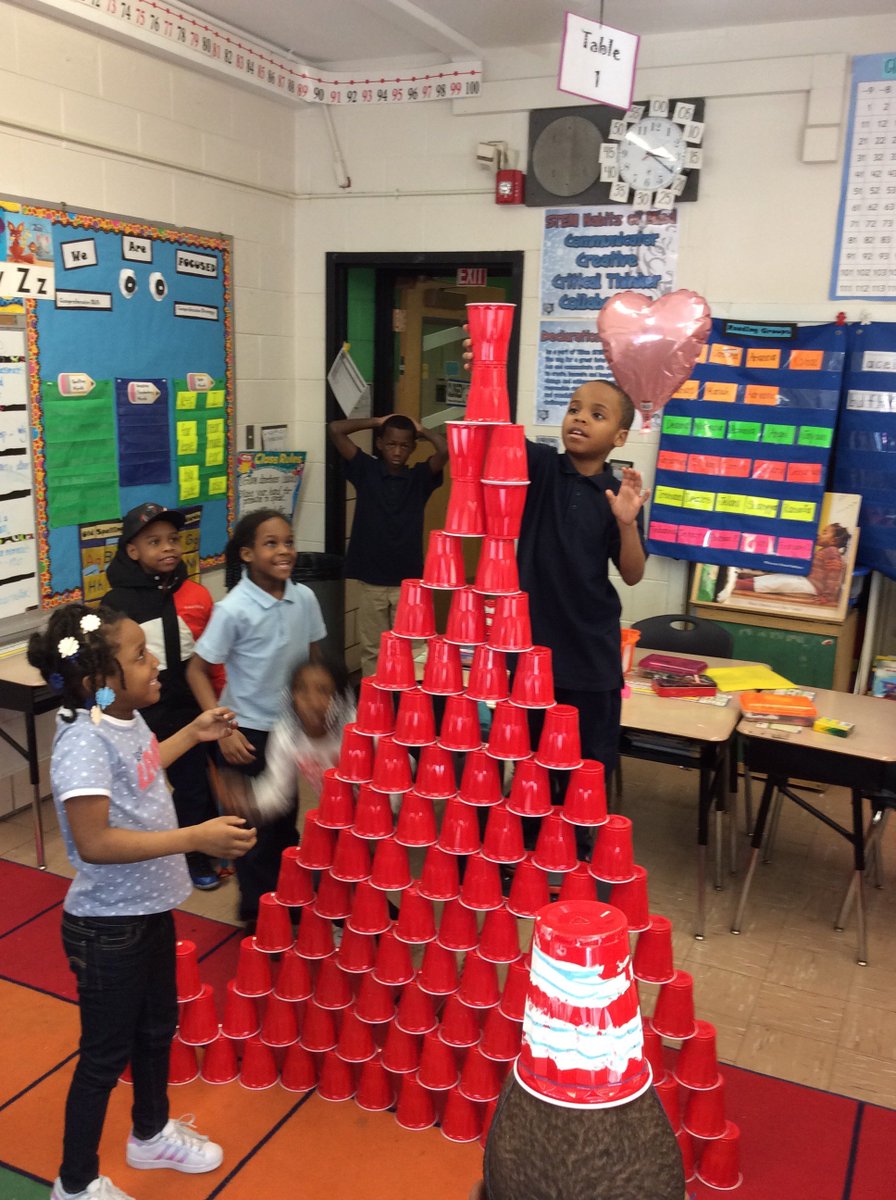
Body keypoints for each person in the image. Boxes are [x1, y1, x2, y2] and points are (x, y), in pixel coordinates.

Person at [26, 602, 256, 1200]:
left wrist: (192, 733)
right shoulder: (82, 741)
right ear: (99, 682)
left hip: (147, 914)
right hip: (107, 931)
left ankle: (150, 1135)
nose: (157, 663)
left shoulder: (119, 722)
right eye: (140, 656)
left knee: (157, 1030)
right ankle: (74, 1185)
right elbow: (95, 842)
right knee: (104, 1058)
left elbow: (143, 766)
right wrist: (195, 838)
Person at [186, 509, 327, 929]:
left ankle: (290, 900)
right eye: (271, 543)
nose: (284, 550)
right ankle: (258, 916)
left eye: (288, 541)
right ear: (247, 553)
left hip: (290, 731)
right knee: (252, 832)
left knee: (284, 823)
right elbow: (197, 669)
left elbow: (314, 660)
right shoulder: (233, 609)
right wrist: (223, 728)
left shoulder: (305, 597)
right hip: (245, 734)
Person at [518, 380, 649, 806]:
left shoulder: (617, 494)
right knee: (531, 763)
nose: (579, 418)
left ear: (620, 437)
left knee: (587, 765)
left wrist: (626, 522)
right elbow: (493, 432)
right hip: (532, 651)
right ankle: (527, 846)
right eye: (574, 409)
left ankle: (579, 849)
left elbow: (632, 574)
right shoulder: (539, 466)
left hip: (591, 655)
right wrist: (485, 363)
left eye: (597, 414)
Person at [102, 501, 224, 892]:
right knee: (142, 787)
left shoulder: (196, 595)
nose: (168, 548)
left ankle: (197, 851)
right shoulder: (116, 605)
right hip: (143, 716)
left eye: (173, 539)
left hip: (188, 710)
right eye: (154, 542)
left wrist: (218, 702)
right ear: (132, 551)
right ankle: (145, 850)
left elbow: (210, 656)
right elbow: (112, 669)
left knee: (194, 787)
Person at [328, 412, 448, 678]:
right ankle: (375, 707)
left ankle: (409, 704)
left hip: (408, 583)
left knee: (414, 646)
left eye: (404, 445)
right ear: (380, 443)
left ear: (413, 448)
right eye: (391, 443)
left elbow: (446, 449)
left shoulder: (419, 478)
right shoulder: (366, 470)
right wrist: (377, 421)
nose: (397, 451)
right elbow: (336, 429)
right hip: (372, 580)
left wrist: (422, 428)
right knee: (373, 649)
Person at [215, 655, 356, 820]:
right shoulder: (288, 735)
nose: (312, 701)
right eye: (302, 689)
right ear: (291, 696)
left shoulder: (358, 729)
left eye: (324, 691)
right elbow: (278, 793)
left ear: (341, 697)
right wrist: (247, 799)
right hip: (339, 820)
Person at [715, 522, 850, 608]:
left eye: (825, 533)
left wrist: (827, 596)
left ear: (834, 541)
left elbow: (833, 576)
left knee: (778, 582)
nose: (821, 535)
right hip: (806, 580)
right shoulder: (826, 550)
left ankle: (735, 584)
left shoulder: (832, 552)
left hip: (812, 586)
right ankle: (736, 582)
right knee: (776, 578)